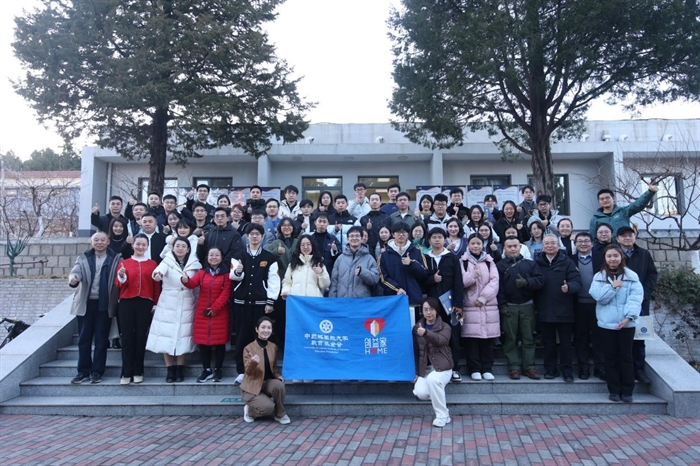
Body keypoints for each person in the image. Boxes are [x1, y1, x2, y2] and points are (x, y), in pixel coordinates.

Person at [589, 244, 644, 403]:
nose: (612, 259)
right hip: (607, 324)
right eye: (609, 256)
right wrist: (612, 288)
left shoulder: (631, 276)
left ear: (621, 257)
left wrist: (629, 317)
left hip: (627, 324)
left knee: (626, 357)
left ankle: (627, 390)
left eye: (615, 256)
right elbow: (599, 297)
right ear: (605, 259)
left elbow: (635, 299)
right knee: (610, 357)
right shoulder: (599, 277)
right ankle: (613, 390)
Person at [68, 231, 121, 384]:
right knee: (84, 339)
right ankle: (83, 371)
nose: (99, 242)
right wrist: (73, 279)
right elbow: (75, 272)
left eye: (102, 240)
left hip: (105, 304)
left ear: (108, 242)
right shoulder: (84, 257)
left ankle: (97, 371)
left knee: (101, 340)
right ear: (91, 242)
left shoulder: (116, 259)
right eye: (96, 240)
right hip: (86, 303)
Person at [230, 223, 281, 384]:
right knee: (241, 337)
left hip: (261, 304)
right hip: (241, 303)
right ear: (247, 236)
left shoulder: (269, 257)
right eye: (251, 234)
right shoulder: (238, 255)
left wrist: (270, 301)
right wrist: (238, 271)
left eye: (257, 234)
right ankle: (242, 371)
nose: (254, 236)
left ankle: (262, 371)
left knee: (260, 337)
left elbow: (274, 281)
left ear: (262, 237)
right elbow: (233, 276)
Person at [147, 236, 202, 383]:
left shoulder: (195, 263)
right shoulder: (167, 261)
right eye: (178, 246)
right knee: (167, 335)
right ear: (173, 248)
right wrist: (157, 275)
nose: (180, 249)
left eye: (183, 246)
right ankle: (170, 369)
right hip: (168, 302)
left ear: (188, 249)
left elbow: (197, 285)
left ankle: (179, 368)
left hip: (187, 301)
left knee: (183, 335)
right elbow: (157, 273)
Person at [534, 234, 582, 383]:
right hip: (544, 308)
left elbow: (577, 281)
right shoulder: (536, 263)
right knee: (548, 343)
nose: (550, 246)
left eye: (553, 243)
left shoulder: (567, 262)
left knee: (566, 343)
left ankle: (567, 371)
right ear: (542, 246)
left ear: (558, 245)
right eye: (547, 243)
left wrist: (569, 287)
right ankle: (550, 369)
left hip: (564, 309)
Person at [497, 236, 545, 380]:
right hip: (509, 306)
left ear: (520, 247)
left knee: (528, 338)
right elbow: (498, 288)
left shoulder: (530, 264)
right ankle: (513, 367)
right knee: (510, 339)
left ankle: (529, 367)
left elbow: (540, 281)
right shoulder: (499, 266)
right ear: (504, 248)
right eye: (509, 246)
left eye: (515, 246)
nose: (513, 249)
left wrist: (527, 282)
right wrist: (502, 304)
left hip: (527, 305)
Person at [115, 234, 160, 385]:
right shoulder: (124, 263)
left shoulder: (152, 264)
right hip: (127, 302)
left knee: (141, 337)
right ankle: (126, 372)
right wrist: (122, 276)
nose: (140, 247)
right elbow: (119, 284)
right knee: (127, 338)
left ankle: (138, 371)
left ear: (147, 247)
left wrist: (155, 303)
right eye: (138, 244)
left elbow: (156, 285)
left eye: (143, 245)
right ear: (133, 245)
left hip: (145, 303)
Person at [183, 247, 232, 383]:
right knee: (203, 342)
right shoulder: (202, 273)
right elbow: (192, 284)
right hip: (202, 312)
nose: (214, 257)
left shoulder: (226, 275)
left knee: (220, 342)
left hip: (220, 313)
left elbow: (226, 293)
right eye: (211, 255)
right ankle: (207, 370)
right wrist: (185, 280)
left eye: (217, 255)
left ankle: (218, 369)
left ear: (222, 257)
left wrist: (215, 308)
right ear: (207, 257)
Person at [616, 226, 658, 384]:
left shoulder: (644, 254)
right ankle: (621, 369)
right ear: (618, 239)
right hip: (618, 302)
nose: (627, 238)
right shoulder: (613, 254)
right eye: (623, 236)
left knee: (639, 337)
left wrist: (644, 294)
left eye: (630, 235)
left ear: (635, 237)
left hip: (640, 302)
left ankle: (638, 369)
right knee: (619, 336)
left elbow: (652, 274)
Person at [423, 228, 465, 382]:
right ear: (429, 240)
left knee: (453, 335)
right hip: (432, 305)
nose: (437, 240)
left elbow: (459, 282)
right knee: (431, 335)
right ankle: (433, 366)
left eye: (440, 237)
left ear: (445, 240)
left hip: (452, 304)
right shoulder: (425, 258)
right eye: (434, 237)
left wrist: (459, 304)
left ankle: (454, 368)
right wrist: (432, 280)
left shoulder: (452, 258)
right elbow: (421, 281)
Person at [460, 233, 500, 381]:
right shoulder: (463, 262)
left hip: (488, 306)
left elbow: (495, 282)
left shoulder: (490, 262)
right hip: (470, 307)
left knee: (487, 340)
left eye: (478, 243)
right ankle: (474, 368)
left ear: (483, 245)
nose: (476, 246)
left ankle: (487, 368)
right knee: (472, 341)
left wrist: (483, 298)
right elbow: (461, 282)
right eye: (473, 243)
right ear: (468, 245)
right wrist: (473, 276)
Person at [412, 297, 454, 428]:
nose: (428, 312)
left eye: (431, 309)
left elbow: (441, 340)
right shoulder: (417, 328)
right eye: (425, 309)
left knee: (433, 380)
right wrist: (417, 373)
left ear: (436, 310)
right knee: (420, 393)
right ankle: (437, 393)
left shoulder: (445, 326)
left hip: (443, 368)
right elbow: (416, 351)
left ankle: (442, 415)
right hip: (425, 369)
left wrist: (426, 333)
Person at [241, 316, 290, 424]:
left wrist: (278, 376)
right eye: (263, 327)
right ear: (257, 329)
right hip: (252, 387)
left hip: (266, 383)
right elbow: (248, 372)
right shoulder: (248, 348)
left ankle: (280, 414)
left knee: (279, 385)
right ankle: (250, 411)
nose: (266, 330)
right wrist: (253, 362)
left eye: (269, 328)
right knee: (268, 408)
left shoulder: (273, 347)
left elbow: (273, 367)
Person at [572, 232, 606, 380]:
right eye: (580, 241)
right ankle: (583, 367)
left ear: (592, 244)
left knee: (599, 337)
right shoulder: (570, 260)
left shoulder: (601, 259)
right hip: (578, 304)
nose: (583, 244)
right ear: (575, 244)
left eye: (586, 241)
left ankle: (600, 367)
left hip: (599, 304)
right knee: (581, 337)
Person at [266, 218, 299, 350]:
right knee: (281, 315)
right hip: (280, 286)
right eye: (284, 225)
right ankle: (281, 342)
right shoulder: (275, 243)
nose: (286, 227)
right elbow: (266, 258)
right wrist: (276, 253)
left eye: (289, 225)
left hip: (297, 285)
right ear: (279, 228)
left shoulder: (298, 242)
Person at [378, 222, 428, 305]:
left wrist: (411, 263)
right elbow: (382, 278)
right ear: (393, 234)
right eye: (398, 232)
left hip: (414, 297)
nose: (401, 235)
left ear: (408, 234)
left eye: (404, 232)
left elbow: (424, 274)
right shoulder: (384, 256)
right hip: (393, 298)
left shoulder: (417, 252)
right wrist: (397, 289)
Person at [589, 183, 658, 242]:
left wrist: (650, 192)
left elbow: (637, 205)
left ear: (613, 199)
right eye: (602, 199)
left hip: (624, 247)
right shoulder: (595, 218)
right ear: (599, 202)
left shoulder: (623, 211)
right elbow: (593, 239)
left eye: (607, 198)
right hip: (606, 251)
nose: (605, 200)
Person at [329, 226, 380, 298]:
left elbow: (375, 279)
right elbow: (334, 282)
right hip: (342, 300)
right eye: (352, 236)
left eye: (357, 236)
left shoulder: (369, 259)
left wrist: (362, 272)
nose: (354, 238)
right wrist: (333, 300)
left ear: (361, 239)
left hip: (361, 301)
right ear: (347, 239)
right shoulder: (340, 259)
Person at [281, 234, 331, 298]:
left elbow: (325, 286)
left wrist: (321, 273)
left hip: (313, 301)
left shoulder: (318, 263)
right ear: (299, 247)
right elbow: (287, 282)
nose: (305, 247)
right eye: (302, 245)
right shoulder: (293, 264)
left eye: (308, 244)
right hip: (297, 301)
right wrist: (286, 291)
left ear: (312, 246)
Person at [360, 193, 390, 259]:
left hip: (383, 248)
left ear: (380, 202)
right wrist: (367, 229)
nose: (374, 201)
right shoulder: (364, 218)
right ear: (369, 203)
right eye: (372, 200)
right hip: (368, 249)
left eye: (376, 199)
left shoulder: (387, 217)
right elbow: (361, 236)